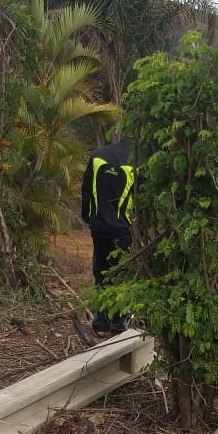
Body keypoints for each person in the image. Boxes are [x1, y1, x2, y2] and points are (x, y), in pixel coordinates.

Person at [81, 135, 134, 336]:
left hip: (100, 228)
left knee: (101, 272)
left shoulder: (98, 156)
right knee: (121, 275)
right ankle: (119, 322)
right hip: (124, 230)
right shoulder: (136, 161)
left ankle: (101, 322)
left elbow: (86, 191)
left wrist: (89, 218)